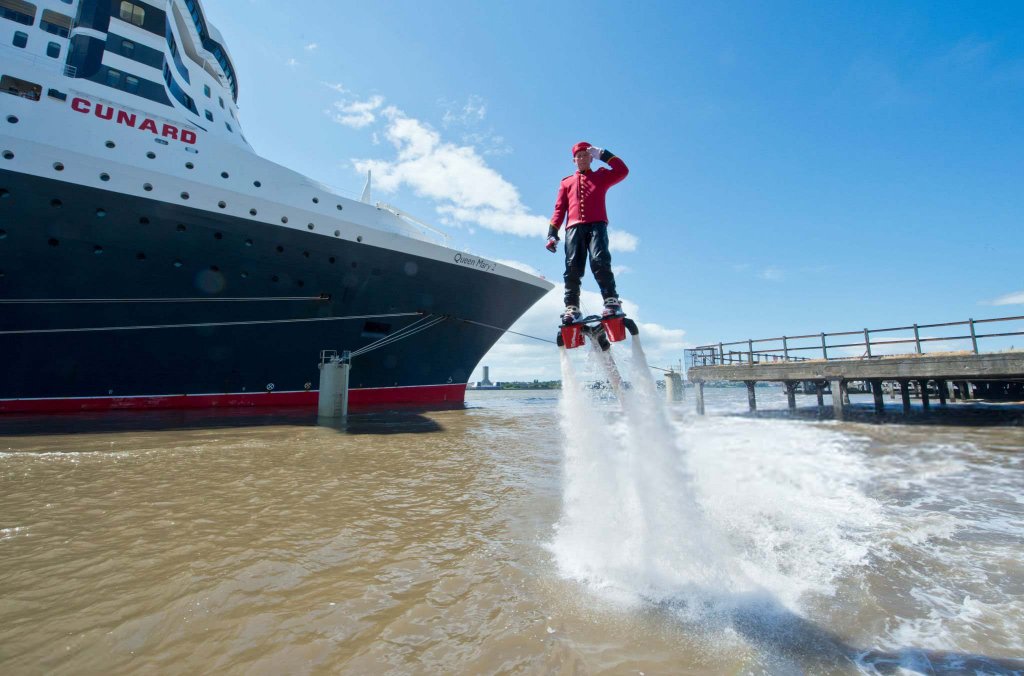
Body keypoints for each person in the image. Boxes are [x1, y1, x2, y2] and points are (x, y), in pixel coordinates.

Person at [546, 141, 629, 324]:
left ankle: (611, 301)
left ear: (591, 158)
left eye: (586, 155)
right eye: (579, 156)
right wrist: (552, 233)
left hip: (597, 225)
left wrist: (604, 154)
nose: (582, 158)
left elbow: (622, 171)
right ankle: (572, 308)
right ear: (574, 160)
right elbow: (559, 210)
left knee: (600, 261)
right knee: (572, 268)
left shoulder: (601, 176)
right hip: (573, 229)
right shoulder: (566, 182)